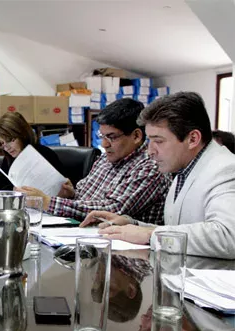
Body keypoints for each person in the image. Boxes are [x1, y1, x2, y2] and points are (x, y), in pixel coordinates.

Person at [82, 92, 235, 259]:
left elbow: (228, 236)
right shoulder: (185, 167)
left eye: (159, 141)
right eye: (149, 141)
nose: (150, 151)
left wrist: (149, 235)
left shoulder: (226, 169)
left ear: (192, 139)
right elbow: (179, 228)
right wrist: (132, 224)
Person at [17, 99, 170, 224]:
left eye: (111, 137)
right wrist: (71, 195)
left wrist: (47, 202)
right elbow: (86, 199)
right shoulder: (106, 158)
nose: (104, 144)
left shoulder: (150, 167)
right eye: (102, 136)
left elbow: (110, 209)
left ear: (136, 136)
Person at [0, 111, 67, 185]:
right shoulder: (8, 160)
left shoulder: (46, 154)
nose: (7, 148)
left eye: (11, 140)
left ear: (22, 135)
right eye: (2, 143)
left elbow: (65, 189)